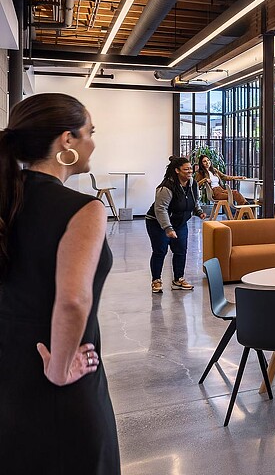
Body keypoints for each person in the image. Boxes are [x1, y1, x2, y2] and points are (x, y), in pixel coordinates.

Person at [0, 93, 120, 473]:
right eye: (90, 132)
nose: (93, 143)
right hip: (59, 368)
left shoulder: (6, 196)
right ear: (67, 140)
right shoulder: (84, 209)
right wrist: (59, 368)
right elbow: (72, 300)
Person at [145, 156, 206, 293]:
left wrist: (199, 211)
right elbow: (161, 209)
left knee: (181, 251)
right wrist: (168, 228)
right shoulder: (166, 187)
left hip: (180, 223)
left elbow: (194, 201)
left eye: (191, 168)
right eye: (186, 169)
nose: (190, 171)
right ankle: (156, 280)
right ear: (177, 170)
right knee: (160, 251)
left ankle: (178, 279)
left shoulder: (192, 184)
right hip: (158, 223)